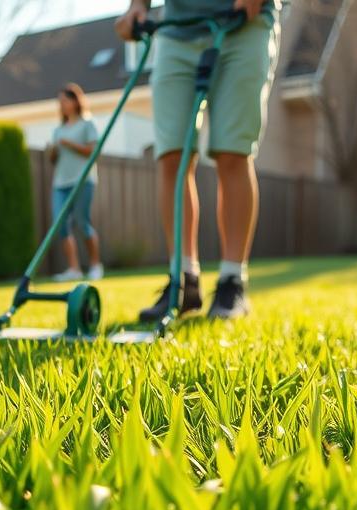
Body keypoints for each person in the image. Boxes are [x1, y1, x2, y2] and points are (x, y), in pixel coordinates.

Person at [115, 0, 281, 319]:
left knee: (232, 152)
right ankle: (183, 281)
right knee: (171, 155)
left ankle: (232, 281)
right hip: (177, 31)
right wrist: (138, 5)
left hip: (244, 25)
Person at [47, 83, 104, 282]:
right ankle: (74, 269)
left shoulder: (87, 124)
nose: (61, 105)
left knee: (82, 222)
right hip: (60, 183)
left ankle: (96, 265)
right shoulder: (58, 130)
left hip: (82, 180)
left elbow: (93, 152)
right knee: (60, 224)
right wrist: (53, 151)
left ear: (75, 101)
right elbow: (54, 160)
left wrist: (68, 144)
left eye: (65, 100)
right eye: (59, 102)